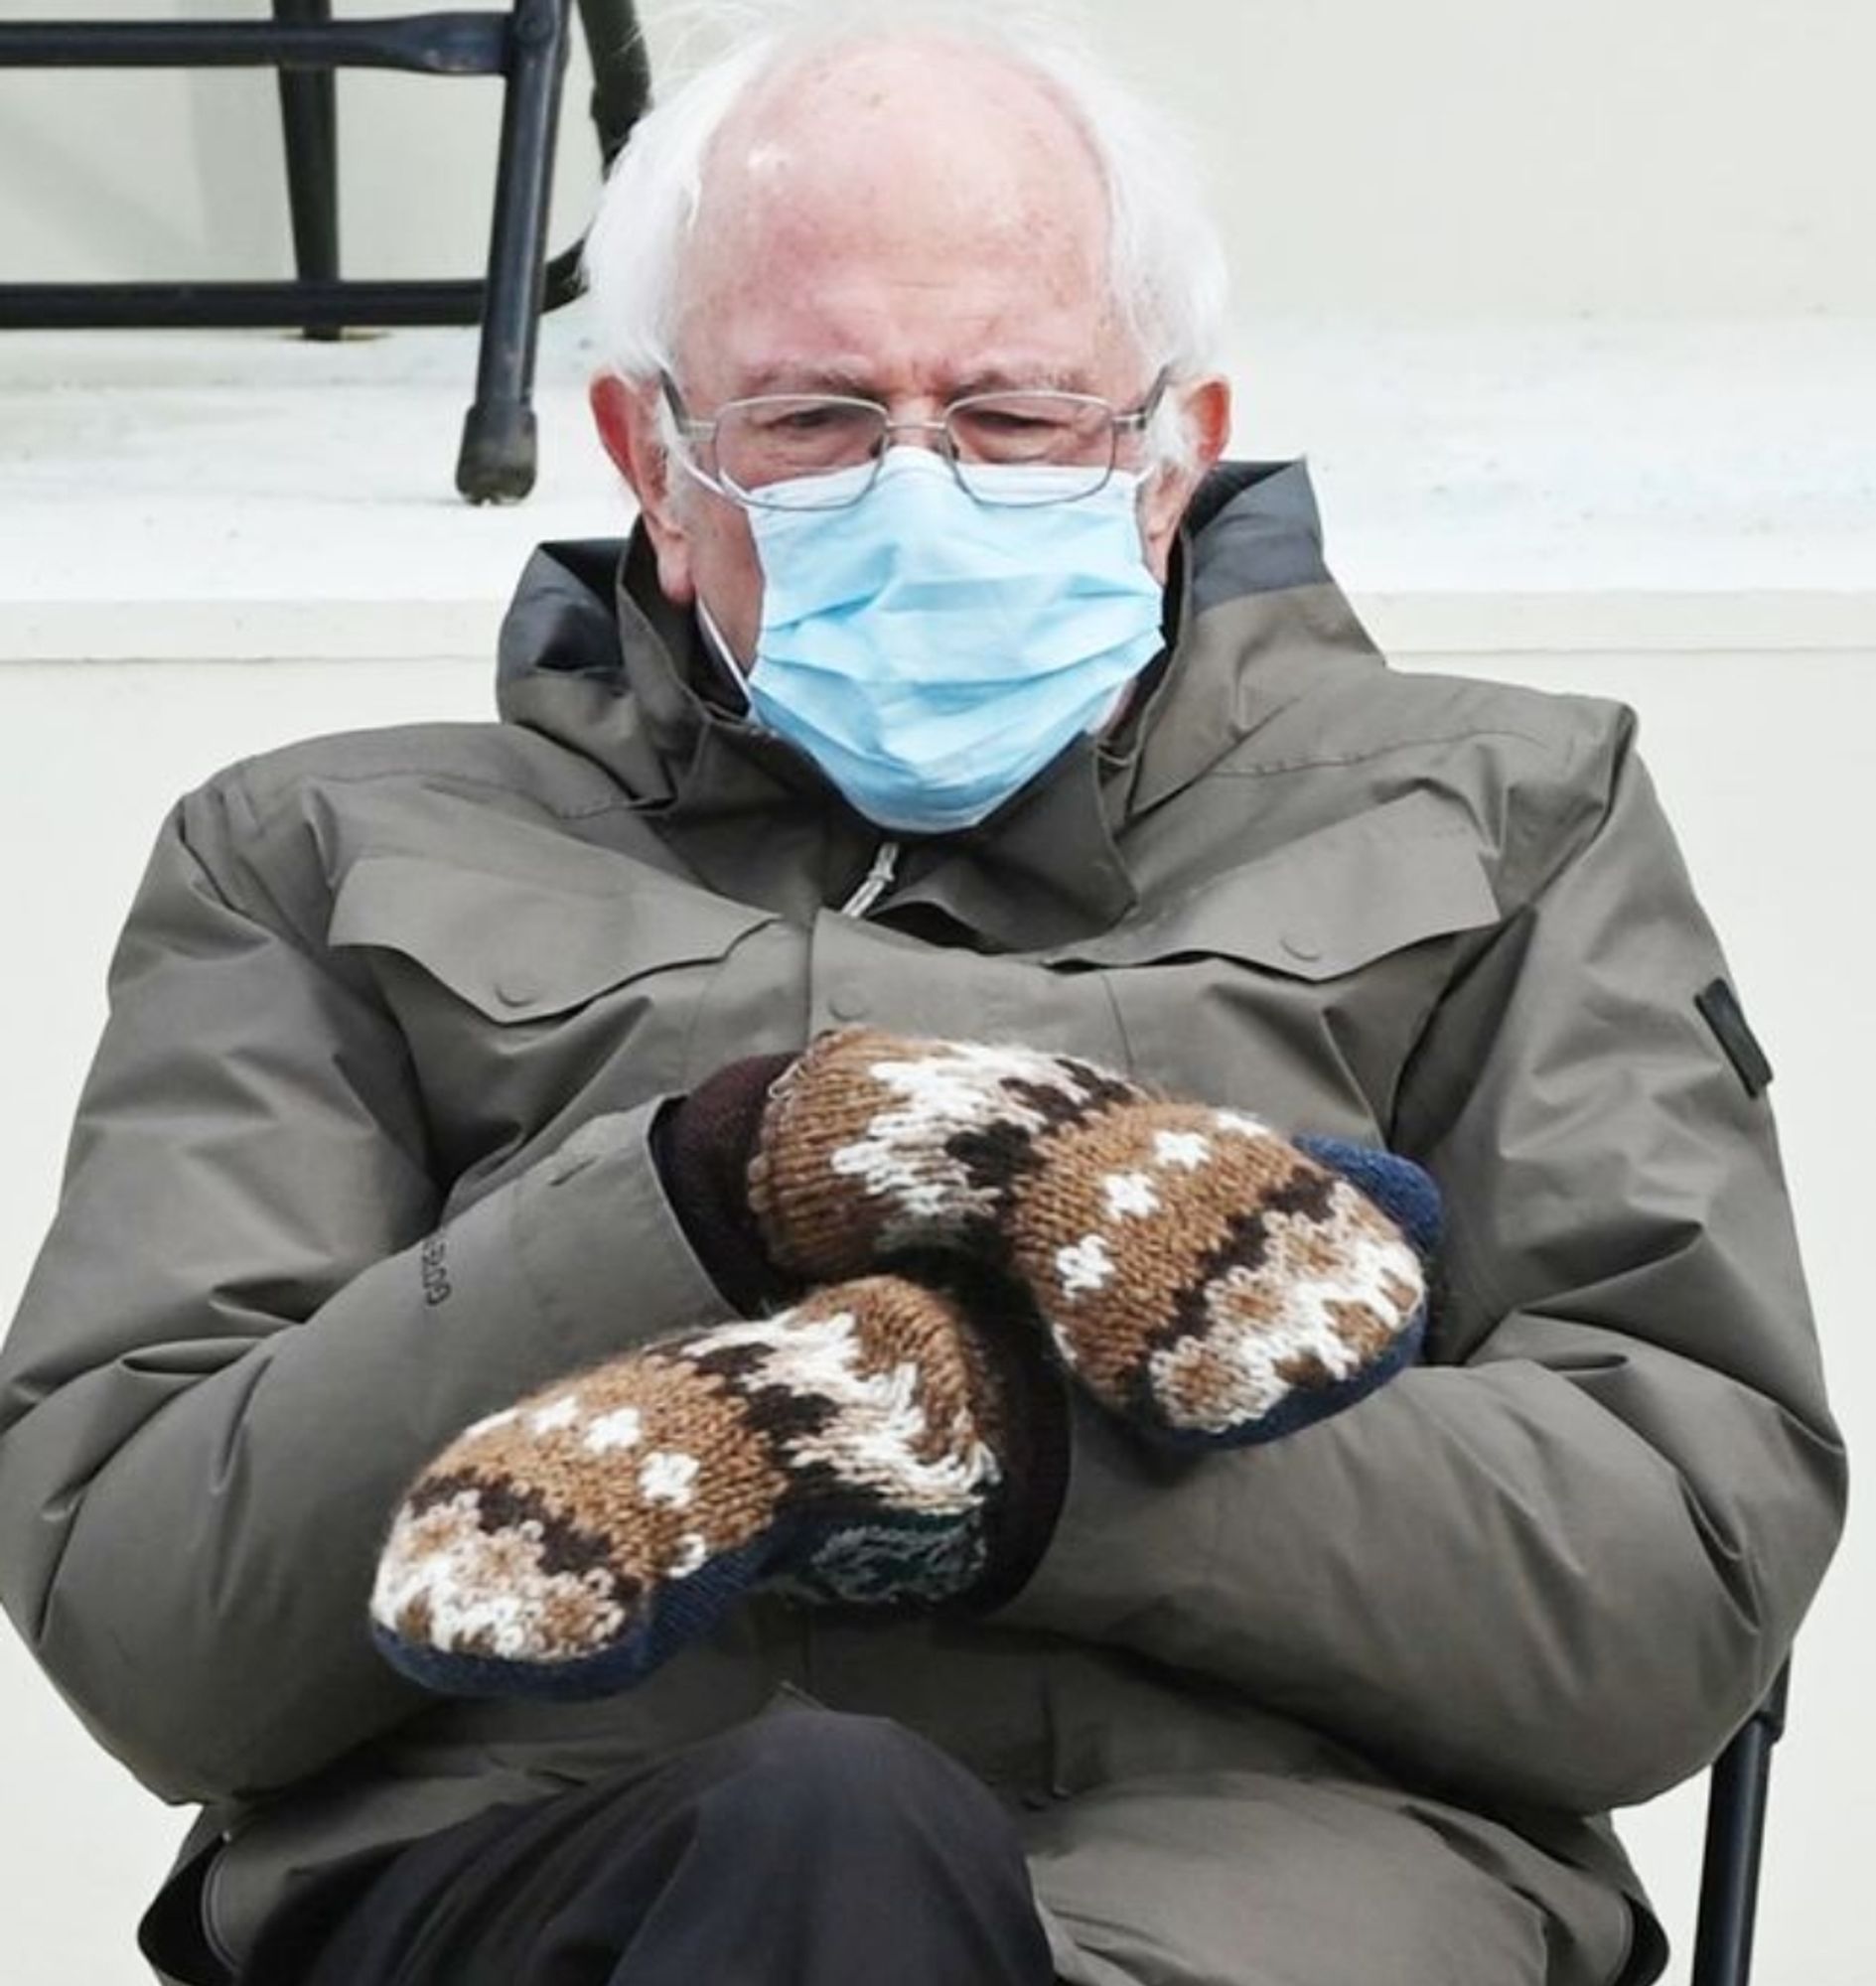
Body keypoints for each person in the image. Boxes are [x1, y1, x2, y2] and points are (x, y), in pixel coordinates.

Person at [0, 5, 1844, 1984]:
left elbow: (1667, 1596)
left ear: (1170, 453)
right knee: (821, 1833)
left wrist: (1003, 1446)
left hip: (1283, 1890)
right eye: (811, 421)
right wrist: (706, 1190)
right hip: (558, 1872)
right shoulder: (314, 853)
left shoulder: (1506, 819)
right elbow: (155, 1625)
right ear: (656, 460)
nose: (919, 489)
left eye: (1015, 416)